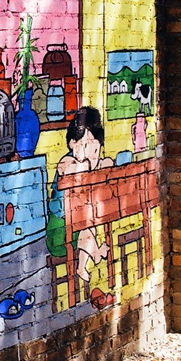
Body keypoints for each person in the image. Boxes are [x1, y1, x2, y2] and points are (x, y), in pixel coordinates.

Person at [45, 106, 115, 309]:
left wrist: (102, 163)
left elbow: (106, 166)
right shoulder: (67, 161)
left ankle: (92, 257)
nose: (90, 151)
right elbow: (71, 170)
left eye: (95, 145)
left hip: (78, 228)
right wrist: (88, 163)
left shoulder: (92, 164)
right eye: (85, 144)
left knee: (87, 228)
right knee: (86, 228)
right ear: (72, 144)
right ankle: (90, 260)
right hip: (59, 232)